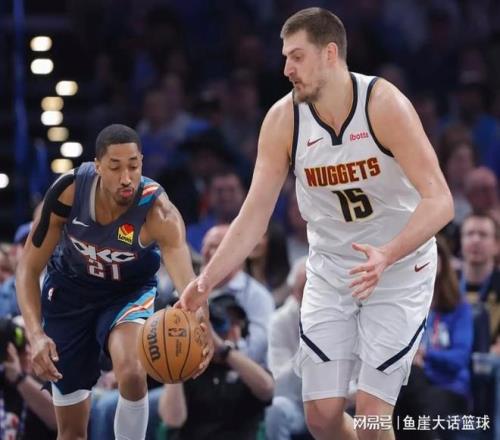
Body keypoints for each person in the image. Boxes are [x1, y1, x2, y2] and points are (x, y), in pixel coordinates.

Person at [178, 7, 453, 440]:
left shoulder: (384, 105)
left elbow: (441, 201)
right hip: (330, 269)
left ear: (329, 54)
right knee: (322, 418)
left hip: (398, 267)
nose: (286, 69)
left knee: (371, 418)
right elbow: (253, 215)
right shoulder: (282, 120)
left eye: (297, 56)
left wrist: (387, 254)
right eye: (285, 57)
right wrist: (206, 281)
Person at [15, 124, 212, 440]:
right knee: (71, 432)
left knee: (132, 372)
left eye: (133, 166)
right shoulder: (67, 192)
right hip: (69, 294)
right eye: (115, 167)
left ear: (142, 163)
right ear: (97, 166)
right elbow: (27, 269)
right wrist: (35, 335)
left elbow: (189, 286)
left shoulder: (159, 212)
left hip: (126, 293)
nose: (126, 177)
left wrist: (203, 325)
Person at [159, 294, 274, 440]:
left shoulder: (248, 369)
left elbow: (267, 389)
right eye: (226, 323)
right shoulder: (191, 369)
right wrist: (175, 360)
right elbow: (172, 420)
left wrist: (222, 348)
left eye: (236, 324)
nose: (232, 330)